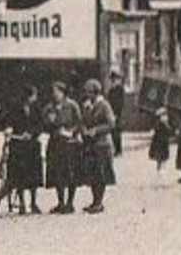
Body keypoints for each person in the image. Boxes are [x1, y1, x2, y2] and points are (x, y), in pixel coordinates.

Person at [0, 84, 46, 214]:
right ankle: (22, 203)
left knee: (34, 175)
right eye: (33, 96)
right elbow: (3, 121)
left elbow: (41, 124)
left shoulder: (36, 108)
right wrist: (7, 128)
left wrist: (32, 133)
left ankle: (33, 202)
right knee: (19, 175)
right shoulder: (15, 108)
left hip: (32, 145)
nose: (34, 99)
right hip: (18, 144)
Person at [78, 78, 116, 214]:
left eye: (90, 92)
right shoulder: (86, 106)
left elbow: (111, 123)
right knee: (92, 172)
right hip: (90, 143)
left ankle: (99, 202)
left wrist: (97, 130)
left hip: (102, 143)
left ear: (96, 92)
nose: (87, 94)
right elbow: (82, 121)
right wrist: (83, 130)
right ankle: (94, 201)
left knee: (101, 173)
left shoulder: (104, 105)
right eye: (86, 91)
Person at [44, 80, 82, 213]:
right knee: (57, 172)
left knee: (71, 172)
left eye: (56, 92)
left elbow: (79, 122)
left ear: (62, 92)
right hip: (55, 142)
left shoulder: (72, 105)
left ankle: (70, 202)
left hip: (69, 143)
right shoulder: (49, 108)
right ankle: (60, 202)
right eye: (53, 92)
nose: (54, 95)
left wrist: (71, 131)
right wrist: (50, 122)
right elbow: (44, 125)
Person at [105, 70, 127, 157]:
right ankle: (116, 150)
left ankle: (119, 150)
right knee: (113, 131)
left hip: (118, 113)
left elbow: (120, 103)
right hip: (111, 112)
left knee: (117, 132)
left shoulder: (120, 89)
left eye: (115, 79)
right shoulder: (111, 90)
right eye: (112, 79)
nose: (113, 81)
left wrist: (117, 114)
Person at [149, 106, 176, 176]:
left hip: (163, 142)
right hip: (160, 142)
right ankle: (160, 169)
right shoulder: (159, 125)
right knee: (161, 157)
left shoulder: (165, 125)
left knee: (163, 157)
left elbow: (170, 131)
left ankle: (161, 169)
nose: (165, 118)